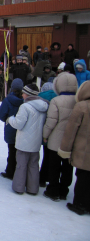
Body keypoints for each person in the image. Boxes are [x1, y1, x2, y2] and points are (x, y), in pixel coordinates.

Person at [7, 84, 49, 195]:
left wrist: (10, 119)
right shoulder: (44, 106)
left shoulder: (25, 107)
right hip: (36, 142)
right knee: (34, 166)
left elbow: (18, 124)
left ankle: (19, 187)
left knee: (21, 165)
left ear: (28, 94)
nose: (22, 94)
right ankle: (33, 188)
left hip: (24, 142)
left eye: (24, 93)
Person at [42, 73, 78, 202]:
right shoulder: (78, 100)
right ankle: (64, 190)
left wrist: (45, 135)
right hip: (71, 140)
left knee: (54, 166)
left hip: (56, 139)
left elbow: (51, 121)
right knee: (68, 167)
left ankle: (53, 190)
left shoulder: (56, 101)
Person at [58, 80, 90, 215]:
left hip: (83, 149)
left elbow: (71, 131)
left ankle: (80, 204)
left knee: (82, 176)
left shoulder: (81, 106)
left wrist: (65, 149)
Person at [0, 79, 24, 180]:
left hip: (11, 129)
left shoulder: (7, 100)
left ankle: (10, 171)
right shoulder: (24, 100)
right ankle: (19, 171)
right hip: (22, 129)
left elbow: (1, 114)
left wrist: (7, 120)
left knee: (11, 151)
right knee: (21, 152)